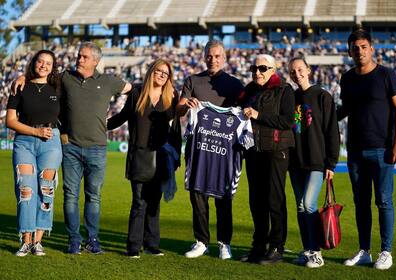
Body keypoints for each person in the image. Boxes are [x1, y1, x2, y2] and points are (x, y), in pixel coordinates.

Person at [13, 42, 132, 254]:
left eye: (84, 57)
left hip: (97, 148)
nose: (79, 59)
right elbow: (40, 76)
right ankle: (74, 240)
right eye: (79, 56)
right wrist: (22, 77)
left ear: (95, 61)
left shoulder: (109, 81)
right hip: (70, 147)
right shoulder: (66, 78)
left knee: (94, 196)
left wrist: (114, 122)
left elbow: (134, 91)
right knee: (70, 196)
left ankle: (93, 239)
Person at [338, 29, 396, 270]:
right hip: (355, 150)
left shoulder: (387, 75)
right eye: (355, 47)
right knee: (361, 203)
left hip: (383, 149)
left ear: (372, 49)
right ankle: (365, 250)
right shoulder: (346, 78)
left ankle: (386, 251)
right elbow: (344, 109)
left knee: (384, 201)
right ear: (349, 51)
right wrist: (321, 116)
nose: (360, 51)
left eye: (364, 46)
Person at [176, 40, 244, 259]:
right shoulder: (192, 80)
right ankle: (201, 241)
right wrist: (185, 105)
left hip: (225, 152)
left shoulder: (235, 85)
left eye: (217, 56)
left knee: (224, 198)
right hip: (198, 150)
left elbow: (244, 114)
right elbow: (178, 110)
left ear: (224, 58)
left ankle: (224, 242)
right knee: (198, 195)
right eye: (209, 56)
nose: (213, 60)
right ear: (203, 57)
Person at [107, 59, 179, 258]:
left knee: (154, 202)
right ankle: (133, 246)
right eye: (159, 71)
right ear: (151, 71)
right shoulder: (137, 93)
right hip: (139, 155)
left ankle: (151, 244)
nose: (162, 75)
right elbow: (120, 117)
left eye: (166, 73)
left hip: (162, 157)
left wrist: (176, 158)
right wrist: (99, 125)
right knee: (139, 202)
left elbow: (175, 130)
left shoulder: (171, 97)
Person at [238, 54, 295, 264]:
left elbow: (288, 120)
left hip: (276, 150)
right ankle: (259, 246)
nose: (257, 72)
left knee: (274, 199)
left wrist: (257, 114)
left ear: (273, 70)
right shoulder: (249, 90)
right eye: (254, 68)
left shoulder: (285, 90)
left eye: (262, 68)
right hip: (253, 150)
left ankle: (277, 246)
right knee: (256, 201)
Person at [6, 50, 62, 256]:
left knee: (46, 190)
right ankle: (26, 239)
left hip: (51, 142)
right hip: (25, 142)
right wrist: (35, 131)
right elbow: (10, 120)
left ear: (52, 66)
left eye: (49, 63)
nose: (44, 66)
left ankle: (38, 241)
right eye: (41, 61)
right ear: (34, 62)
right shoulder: (20, 86)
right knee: (26, 189)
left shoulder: (58, 86)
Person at [288, 57, 340, 268]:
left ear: (308, 70)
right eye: (292, 71)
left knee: (308, 204)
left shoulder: (322, 96)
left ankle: (317, 252)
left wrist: (331, 163)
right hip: (295, 162)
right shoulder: (290, 97)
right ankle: (308, 249)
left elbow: (332, 131)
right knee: (300, 208)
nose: (297, 74)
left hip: (317, 162)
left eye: (300, 69)